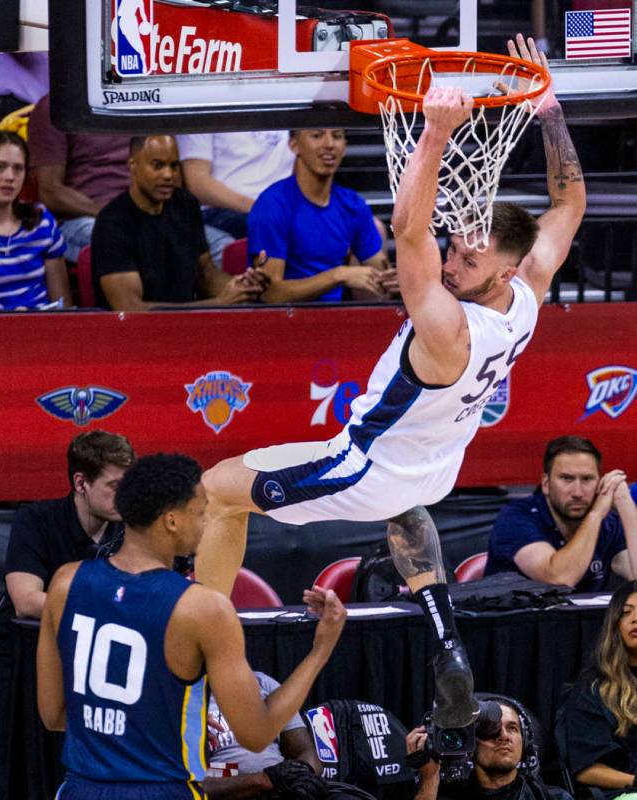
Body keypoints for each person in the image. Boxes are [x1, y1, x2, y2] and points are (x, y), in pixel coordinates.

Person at [197, 34, 586, 731]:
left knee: (220, 492)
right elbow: (571, 201)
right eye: (457, 243)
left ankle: (196, 637)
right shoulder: (526, 292)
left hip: (364, 467)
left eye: (468, 253)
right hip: (435, 472)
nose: (454, 254)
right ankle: (447, 648)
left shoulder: (448, 329)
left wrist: (436, 134)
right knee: (408, 512)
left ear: (499, 270)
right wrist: (550, 107)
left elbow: (408, 232)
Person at [37, 453, 346, 800]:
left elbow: (54, 714)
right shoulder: (202, 608)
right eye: (201, 513)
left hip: (81, 789)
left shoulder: (65, 583)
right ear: (172, 521)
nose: (205, 523)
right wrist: (320, 651)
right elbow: (257, 734)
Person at [91, 135, 268, 311]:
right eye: (158, 166)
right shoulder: (112, 223)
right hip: (135, 335)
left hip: (188, 329)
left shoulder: (185, 204)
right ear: (133, 166)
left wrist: (242, 288)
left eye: (174, 166)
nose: (168, 175)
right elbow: (130, 309)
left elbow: (206, 275)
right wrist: (218, 304)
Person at [248, 128, 393, 303]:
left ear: (345, 147)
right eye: (316, 136)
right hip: (283, 322)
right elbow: (271, 294)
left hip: (336, 320)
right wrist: (338, 275)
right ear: (294, 145)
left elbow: (381, 275)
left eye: (337, 136)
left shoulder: (353, 204)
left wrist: (396, 282)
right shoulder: (272, 204)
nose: (329, 144)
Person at [4, 429, 135, 619]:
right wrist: (100, 609)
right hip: (32, 641)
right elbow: (26, 602)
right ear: (81, 484)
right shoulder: (35, 520)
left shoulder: (133, 527)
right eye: (114, 486)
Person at [485, 436, 637, 592]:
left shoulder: (609, 524)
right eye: (566, 479)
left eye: (587, 479)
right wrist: (595, 514)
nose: (577, 492)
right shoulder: (516, 518)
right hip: (523, 616)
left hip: (586, 617)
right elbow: (560, 579)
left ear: (600, 483)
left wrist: (626, 505)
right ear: (546, 483)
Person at [203, 671, 374, 799]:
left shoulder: (261, 683)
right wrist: (261, 779)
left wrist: (300, 779)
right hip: (236, 790)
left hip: (283, 786)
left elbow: (306, 752)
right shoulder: (183, 703)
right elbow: (193, 783)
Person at [27, 94, 131, 263]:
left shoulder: (143, 100)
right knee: (121, 239)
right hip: (83, 219)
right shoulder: (57, 107)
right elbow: (49, 191)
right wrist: (111, 214)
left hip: (141, 211)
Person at [407, 696, 573, 800]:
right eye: (490, 730)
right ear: (470, 743)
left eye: (513, 728)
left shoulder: (554, 797)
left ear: (525, 742)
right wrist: (429, 779)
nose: (504, 736)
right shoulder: (445, 795)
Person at [559, 580, 637, 799]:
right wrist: (634, 781)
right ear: (614, 625)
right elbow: (587, 770)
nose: (635, 619)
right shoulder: (593, 689)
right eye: (625, 612)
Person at [177, 130, 295, 241]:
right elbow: (198, 184)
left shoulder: (291, 112)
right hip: (224, 211)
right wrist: (259, 208)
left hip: (283, 211)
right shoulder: (205, 111)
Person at [0, 131, 70, 310]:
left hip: (39, 329)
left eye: (18, 168)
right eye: (0, 167)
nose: (9, 177)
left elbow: (62, 306)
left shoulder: (42, 221)